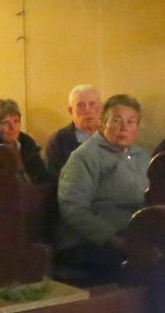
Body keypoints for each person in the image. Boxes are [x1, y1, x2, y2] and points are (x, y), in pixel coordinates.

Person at [56, 94, 148, 281]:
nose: (124, 127)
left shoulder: (141, 155)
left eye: (130, 122)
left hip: (133, 235)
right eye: (117, 120)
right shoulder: (85, 157)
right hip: (89, 241)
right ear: (102, 124)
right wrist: (114, 239)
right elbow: (73, 208)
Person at [0, 98, 51, 184]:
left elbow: (42, 177)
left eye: (16, 121)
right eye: (5, 122)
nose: (12, 128)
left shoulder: (26, 144)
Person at [45, 84, 102, 176]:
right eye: (81, 105)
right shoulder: (58, 140)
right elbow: (54, 179)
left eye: (92, 104)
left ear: (100, 108)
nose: (88, 110)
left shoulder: (111, 136)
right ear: (71, 111)